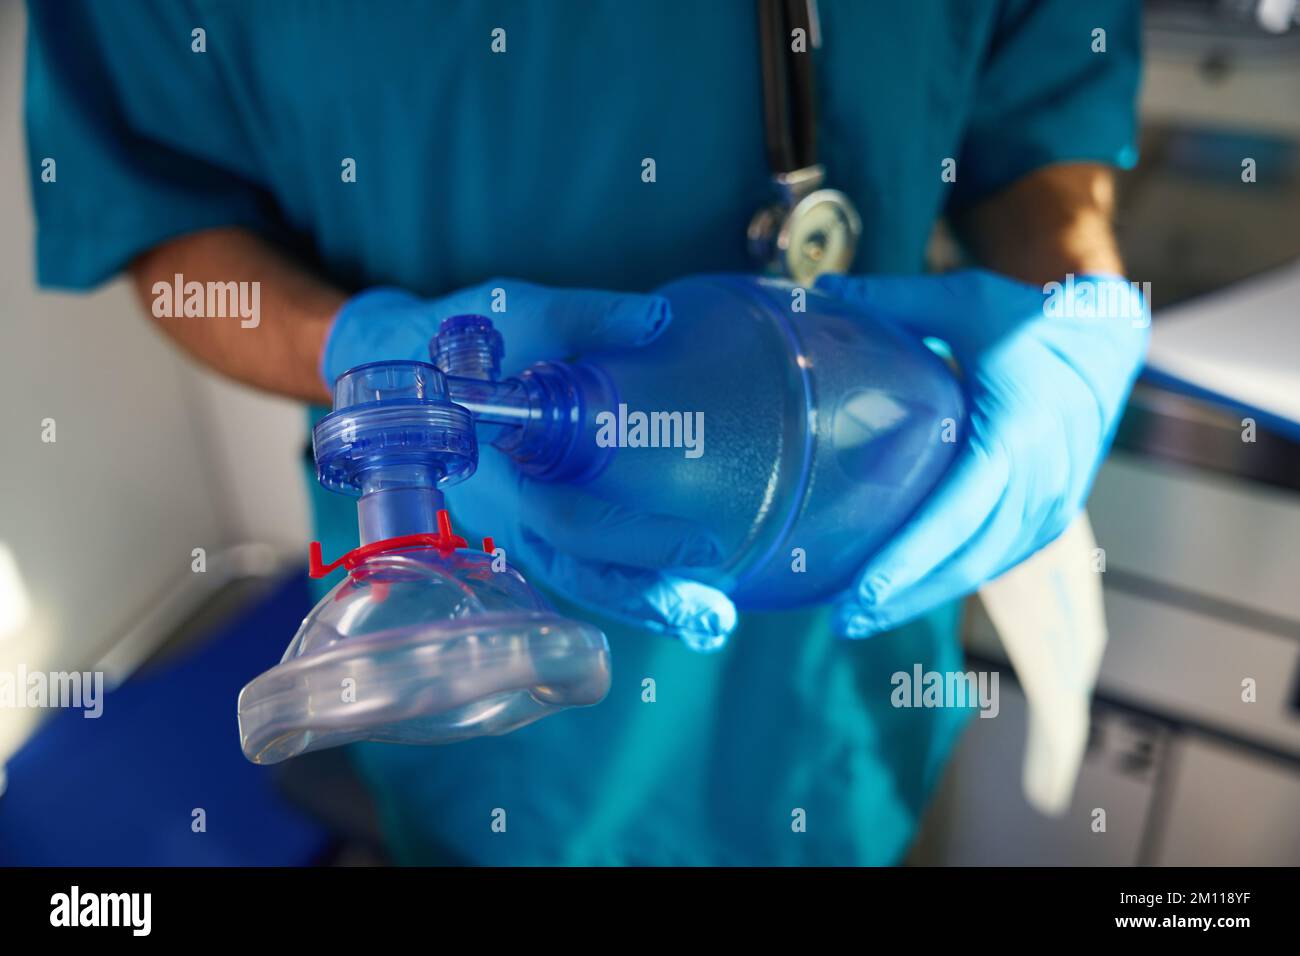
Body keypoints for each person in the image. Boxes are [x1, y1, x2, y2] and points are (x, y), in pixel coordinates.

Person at [26, 0, 1147, 864]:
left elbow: (1036, 118)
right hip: (480, 728)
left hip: (845, 649)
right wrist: (354, 343)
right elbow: (160, 220)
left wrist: (1072, 316)